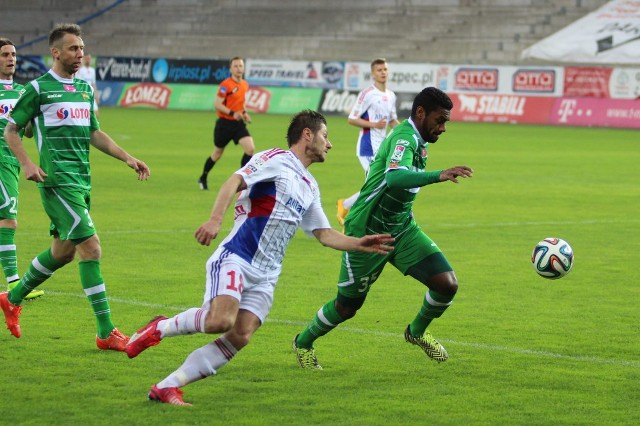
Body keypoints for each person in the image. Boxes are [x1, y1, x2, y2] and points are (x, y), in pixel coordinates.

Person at [126, 110, 394, 406]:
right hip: (237, 257)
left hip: (267, 275)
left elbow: (324, 233)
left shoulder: (310, 185)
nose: (329, 144)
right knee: (220, 321)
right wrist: (215, 220)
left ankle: (168, 386)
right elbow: (233, 181)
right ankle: (160, 327)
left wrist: (359, 243)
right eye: (325, 136)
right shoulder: (277, 160)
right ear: (307, 134)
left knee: (240, 335)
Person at [293, 87, 473, 369]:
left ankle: (416, 332)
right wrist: (439, 175)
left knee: (446, 284)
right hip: (366, 232)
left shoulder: (419, 140)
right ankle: (303, 342)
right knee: (347, 307)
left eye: (446, 121)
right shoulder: (404, 137)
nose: (443, 127)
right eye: (440, 120)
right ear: (421, 113)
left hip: (402, 229)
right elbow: (395, 178)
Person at [0, 23, 150, 351]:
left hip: (82, 181)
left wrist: (127, 157)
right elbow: (13, 130)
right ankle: (106, 331)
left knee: (63, 253)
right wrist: (28, 164)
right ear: (55, 53)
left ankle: (11, 298)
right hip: (57, 182)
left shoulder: (84, 89)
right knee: (92, 248)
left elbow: (94, 132)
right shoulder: (38, 89)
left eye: (81, 48)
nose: (79, 54)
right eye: (73, 48)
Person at [0, 38, 44, 300]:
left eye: (14, 54)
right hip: (1, 161)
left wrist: (31, 120)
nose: (11, 59)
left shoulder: (21, 91)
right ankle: (14, 283)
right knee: (8, 220)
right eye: (5, 54)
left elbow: (25, 132)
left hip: (12, 160)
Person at [337, 58, 399, 227]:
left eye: (385, 69)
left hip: (382, 148)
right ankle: (353, 218)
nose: (383, 72)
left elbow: (393, 120)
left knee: (380, 184)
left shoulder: (391, 95)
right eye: (379, 70)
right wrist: (373, 124)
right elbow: (352, 119)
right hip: (367, 148)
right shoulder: (367, 94)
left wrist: (406, 134)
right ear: (372, 74)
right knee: (376, 184)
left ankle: (346, 206)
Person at [197, 56, 254, 190]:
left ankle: (241, 180)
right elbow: (217, 104)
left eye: (240, 66)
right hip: (224, 124)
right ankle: (203, 177)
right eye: (235, 66)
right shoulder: (225, 85)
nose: (238, 68)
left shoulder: (245, 84)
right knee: (217, 154)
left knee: (250, 148)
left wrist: (244, 113)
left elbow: (241, 103)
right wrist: (232, 113)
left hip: (238, 124)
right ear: (230, 69)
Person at [75, 52, 99, 117]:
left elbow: (93, 83)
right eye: (87, 58)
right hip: (83, 94)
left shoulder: (92, 70)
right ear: (84, 59)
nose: (88, 60)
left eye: (89, 58)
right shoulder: (80, 70)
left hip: (91, 94)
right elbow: (78, 84)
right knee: (86, 115)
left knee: (96, 114)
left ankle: (91, 127)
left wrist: (96, 95)